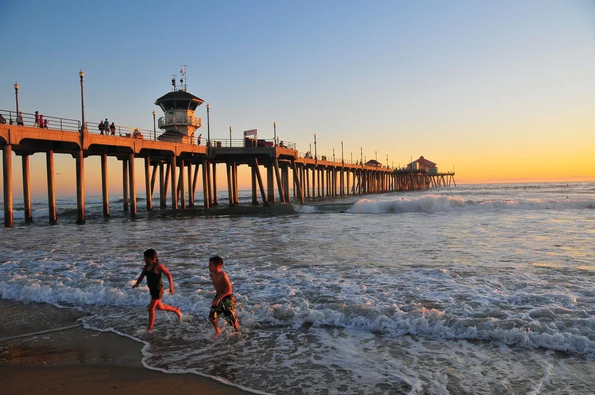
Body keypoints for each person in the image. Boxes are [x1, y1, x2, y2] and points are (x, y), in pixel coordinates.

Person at [132, 248, 182, 331]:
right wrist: (137, 283)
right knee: (160, 307)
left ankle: (150, 329)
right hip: (152, 290)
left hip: (158, 290)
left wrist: (171, 287)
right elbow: (141, 276)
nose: (145, 260)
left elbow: (169, 275)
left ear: (153, 258)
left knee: (150, 309)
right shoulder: (146, 267)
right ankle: (176, 310)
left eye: (146, 258)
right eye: (144, 258)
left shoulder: (158, 266)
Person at [208, 255, 240, 338]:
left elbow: (229, 290)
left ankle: (238, 332)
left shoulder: (223, 274)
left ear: (218, 266)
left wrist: (218, 299)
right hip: (218, 296)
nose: (209, 267)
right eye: (209, 265)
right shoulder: (211, 274)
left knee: (231, 318)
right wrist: (217, 298)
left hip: (227, 297)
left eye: (210, 265)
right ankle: (217, 330)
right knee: (212, 316)